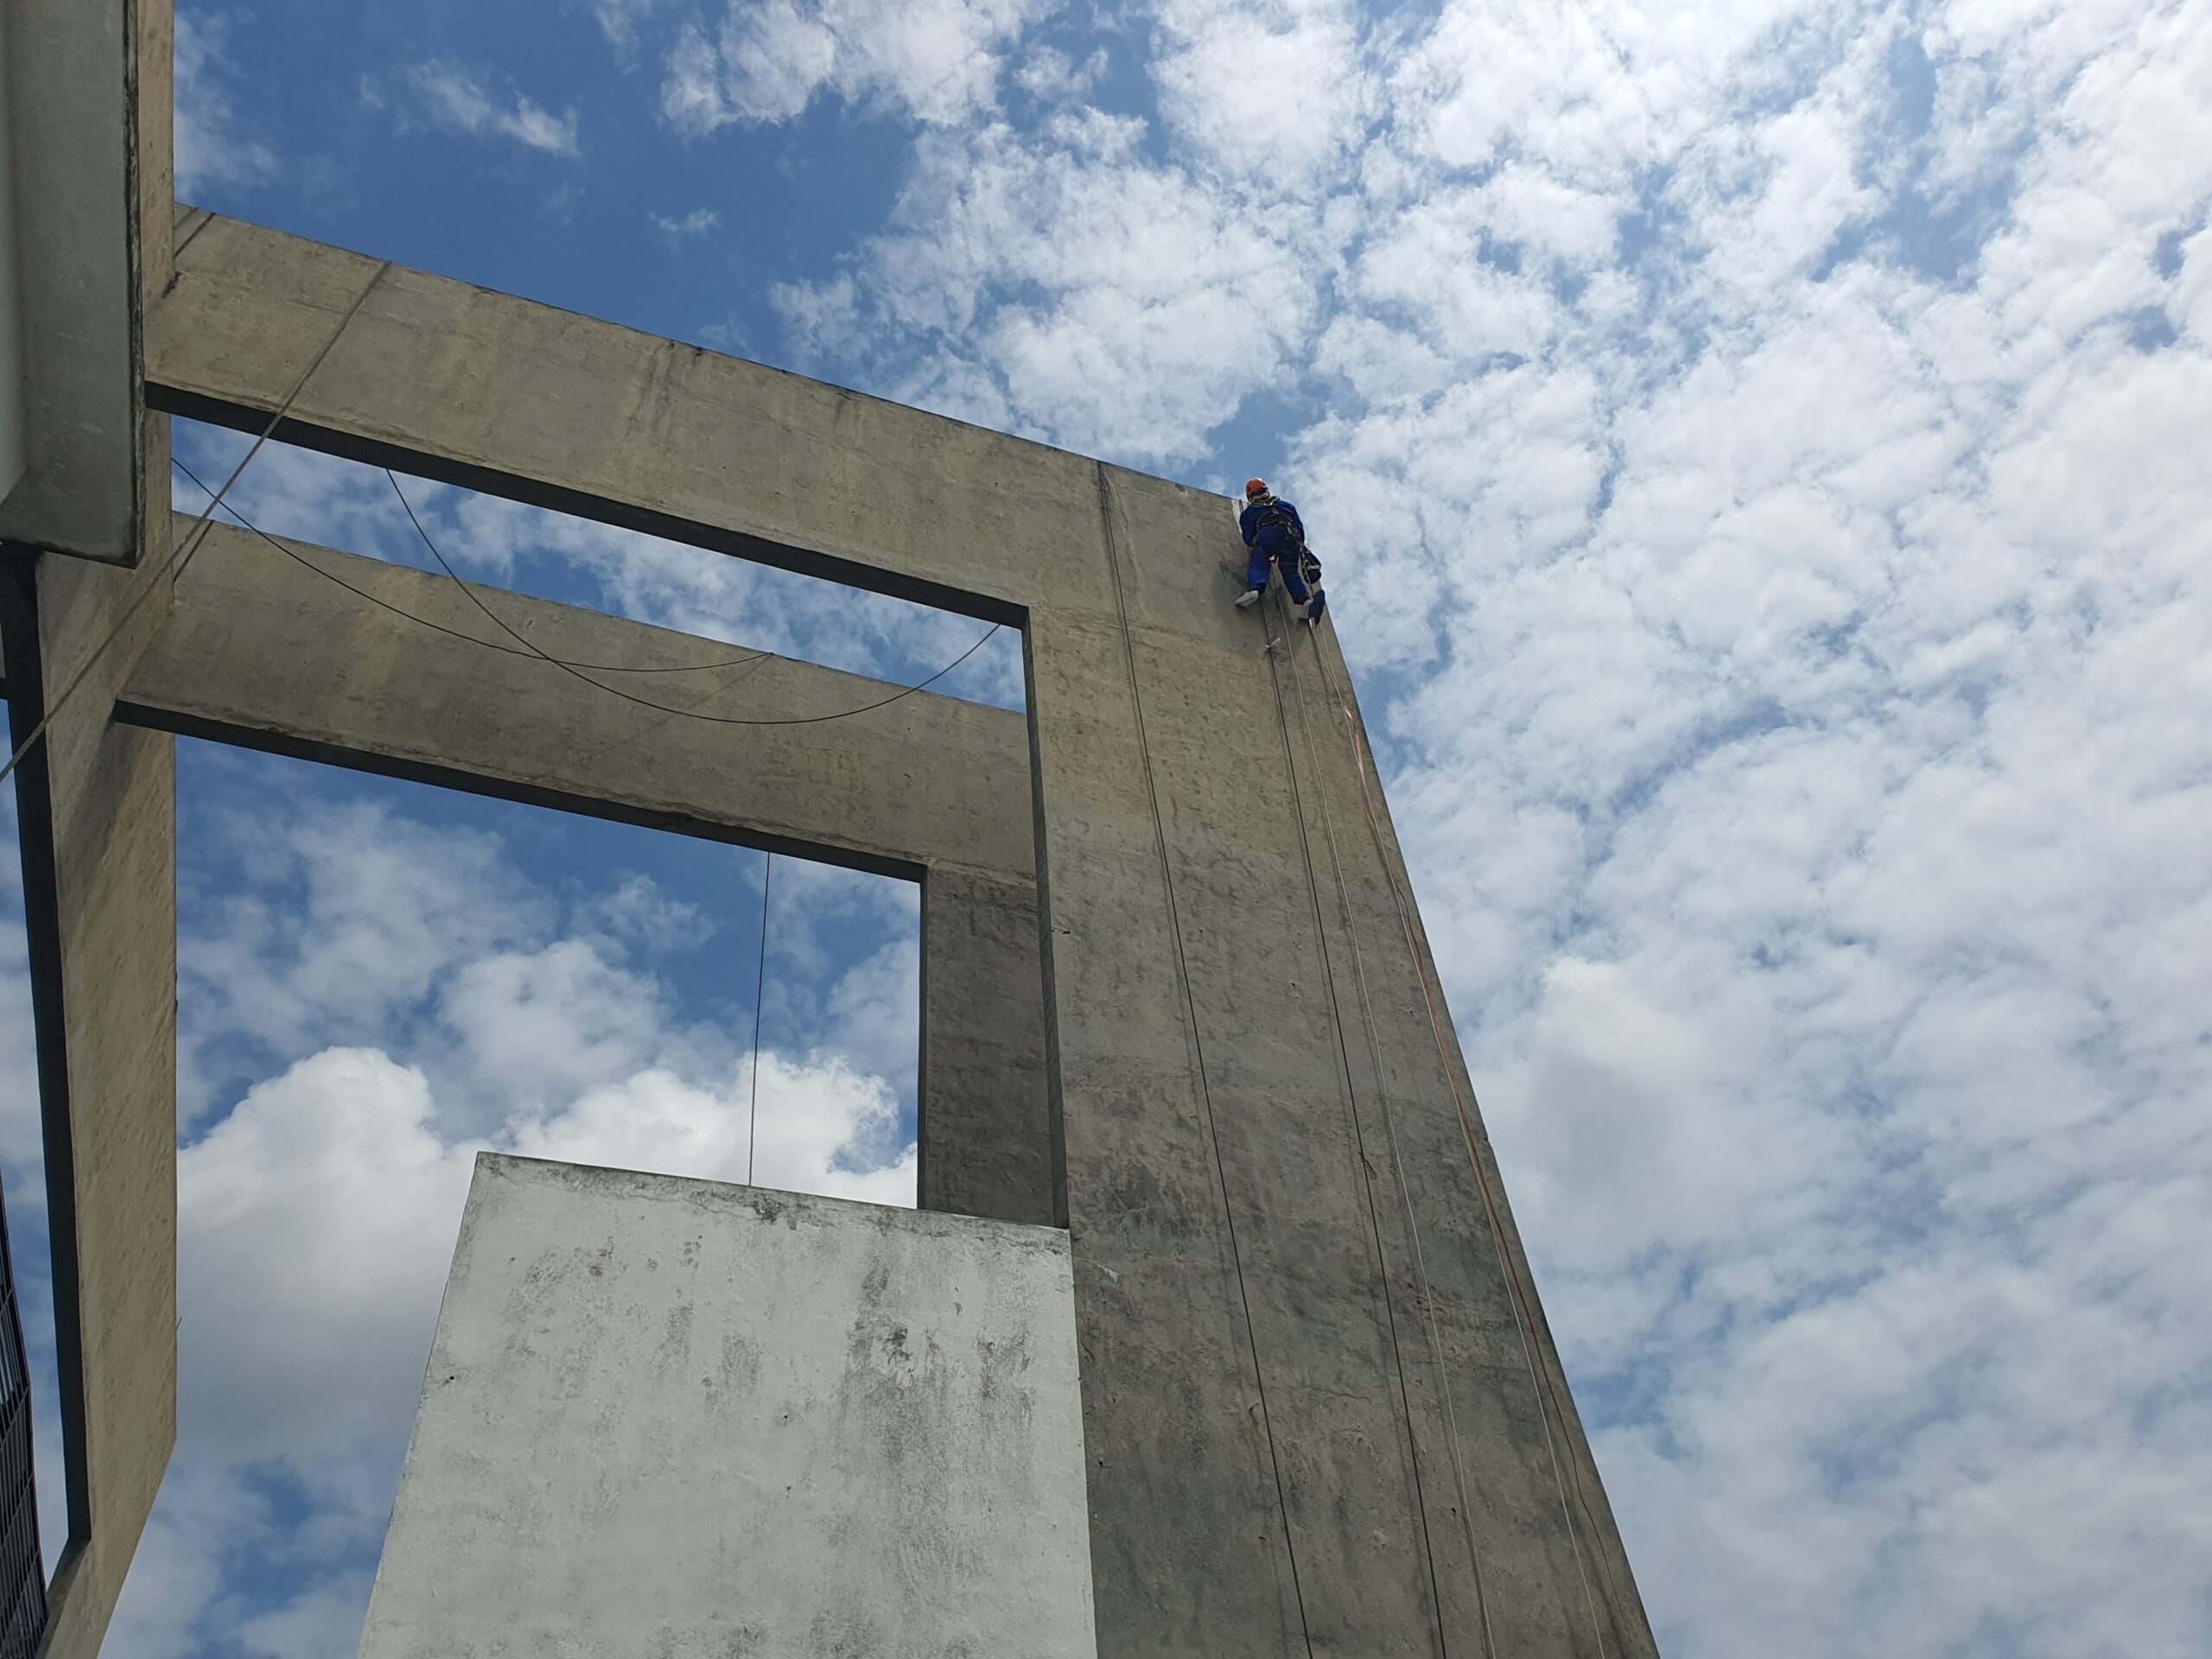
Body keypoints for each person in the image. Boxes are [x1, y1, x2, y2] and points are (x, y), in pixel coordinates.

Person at [1236, 478, 1324, 620]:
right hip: (1292, 539)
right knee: (1290, 572)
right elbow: (1300, 529)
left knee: (1260, 562)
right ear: (1267, 491)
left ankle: (1255, 589)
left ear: (1251, 497)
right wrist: (1297, 544)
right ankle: (1305, 602)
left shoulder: (1250, 511)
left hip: (1268, 535)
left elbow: (1248, 536)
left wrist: (1256, 544)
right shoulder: (1286, 506)